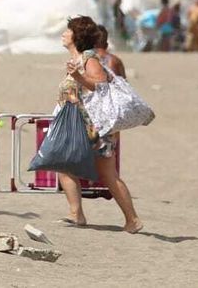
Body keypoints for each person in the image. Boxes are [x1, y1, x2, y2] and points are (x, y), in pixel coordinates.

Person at [57, 15, 142, 233]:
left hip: (94, 125)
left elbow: (100, 83)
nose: (64, 34)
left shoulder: (88, 59)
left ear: (76, 36)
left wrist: (79, 77)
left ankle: (131, 219)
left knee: (106, 174)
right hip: (81, 123)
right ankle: (77, 214)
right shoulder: (79, 59)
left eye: (68, 31)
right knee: (65, 166)